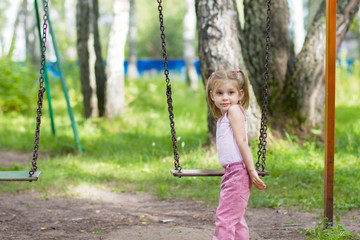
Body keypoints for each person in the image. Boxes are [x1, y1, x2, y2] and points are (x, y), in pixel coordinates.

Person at [206, 69, 267, 240]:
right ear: (212, 95)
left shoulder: (234, 111)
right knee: (236, 219)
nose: (225, 97)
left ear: (240, 94)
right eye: (220, 93)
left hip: (238, 172)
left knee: (224, 219)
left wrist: (251, 170)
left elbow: (242, 141)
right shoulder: (224, 117)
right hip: (232, 172)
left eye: (230, 92)